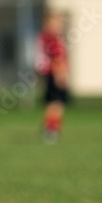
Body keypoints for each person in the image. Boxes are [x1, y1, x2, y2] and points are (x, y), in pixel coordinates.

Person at [36, 10, 69, 142]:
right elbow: (57, 58)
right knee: (56, 103)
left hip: (50, 73)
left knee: (54, 102)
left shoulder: (44, 37)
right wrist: (60, 75)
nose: (60, 26)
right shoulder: (53, 39)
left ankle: (51, 127)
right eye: (57, 23)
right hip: (54, 74)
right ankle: (51, 129)